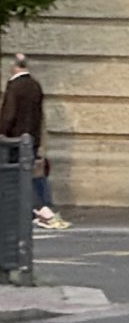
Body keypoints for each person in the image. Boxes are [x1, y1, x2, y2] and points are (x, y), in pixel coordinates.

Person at [0, 54, 68, 230]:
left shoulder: (14, 86)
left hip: (13, 139)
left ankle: (42, 210)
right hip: (32, 139)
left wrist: (2, 132)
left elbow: (9, 114)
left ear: (13, 67)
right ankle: (39, 209)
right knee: (29, 175)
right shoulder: (35, 85)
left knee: (18, 177)